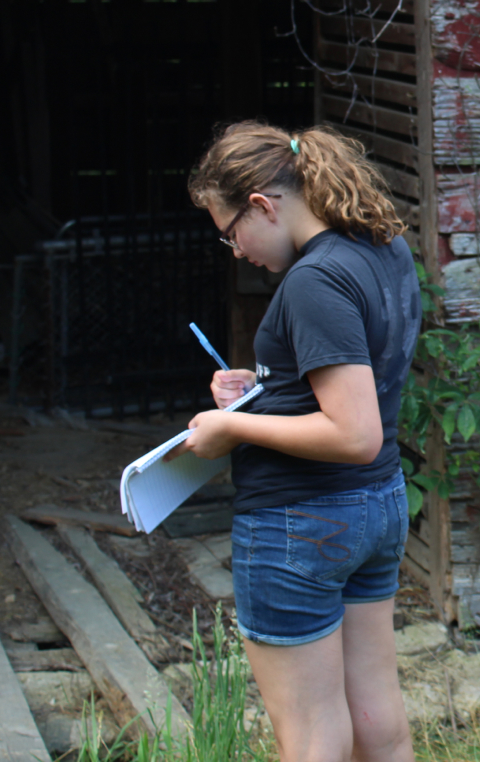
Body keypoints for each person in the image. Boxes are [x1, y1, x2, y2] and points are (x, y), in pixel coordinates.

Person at [174, 123, 422, 762]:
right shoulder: (382, 247)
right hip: (377, 508)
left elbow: (353, 431)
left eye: (230, 233)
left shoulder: (314, 280)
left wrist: (229, 427)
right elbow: (355, 382)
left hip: (300, 522)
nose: (235, 251)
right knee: (376, 714)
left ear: (262, 204)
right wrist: (263, 387)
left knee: (312, 734)